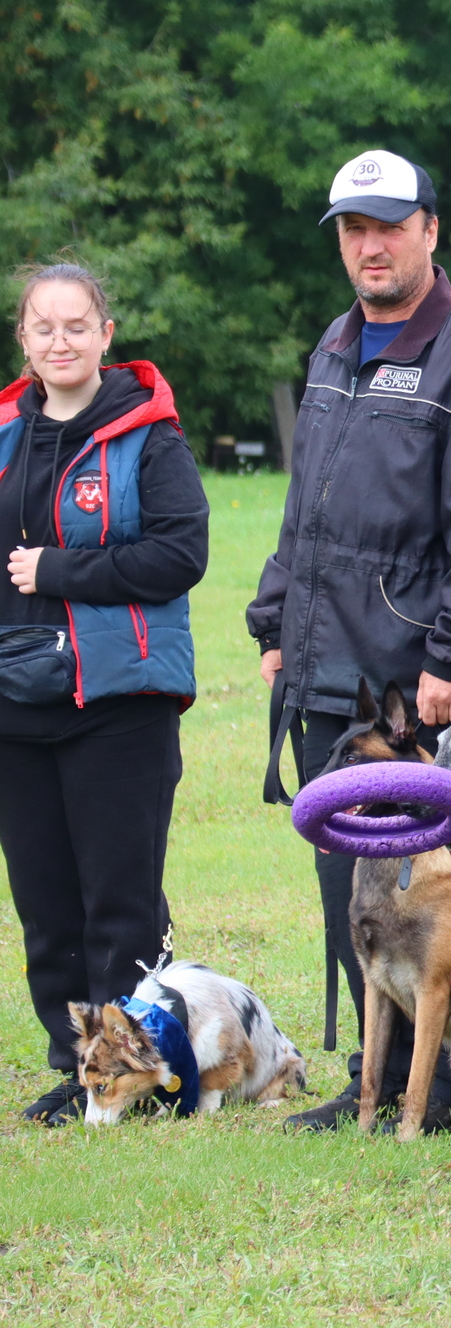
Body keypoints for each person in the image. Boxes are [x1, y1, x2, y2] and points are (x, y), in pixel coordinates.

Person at [247, 149, 451, 1131]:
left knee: (444, 891)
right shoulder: (335, 348)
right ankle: (370, 1082)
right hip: (327, 667)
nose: (369, 246)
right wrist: (274, 619)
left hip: (422, 688)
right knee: (357, 887)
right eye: (352, 229)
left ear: (428, 230)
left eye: (387, 225)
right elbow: (307, 514)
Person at [0, 262, 207, 1126]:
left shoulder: (146, 435)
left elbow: (179, 553)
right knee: (45, 906)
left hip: (117, 702)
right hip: (18, 701)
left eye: (76, 325)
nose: (60, 341)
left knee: (118, 901)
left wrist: (59, 569)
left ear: (105, 334)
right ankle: (76, 1066)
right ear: (23, 338)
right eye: (43, 326)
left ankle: (138, 1071)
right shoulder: (6, 432)